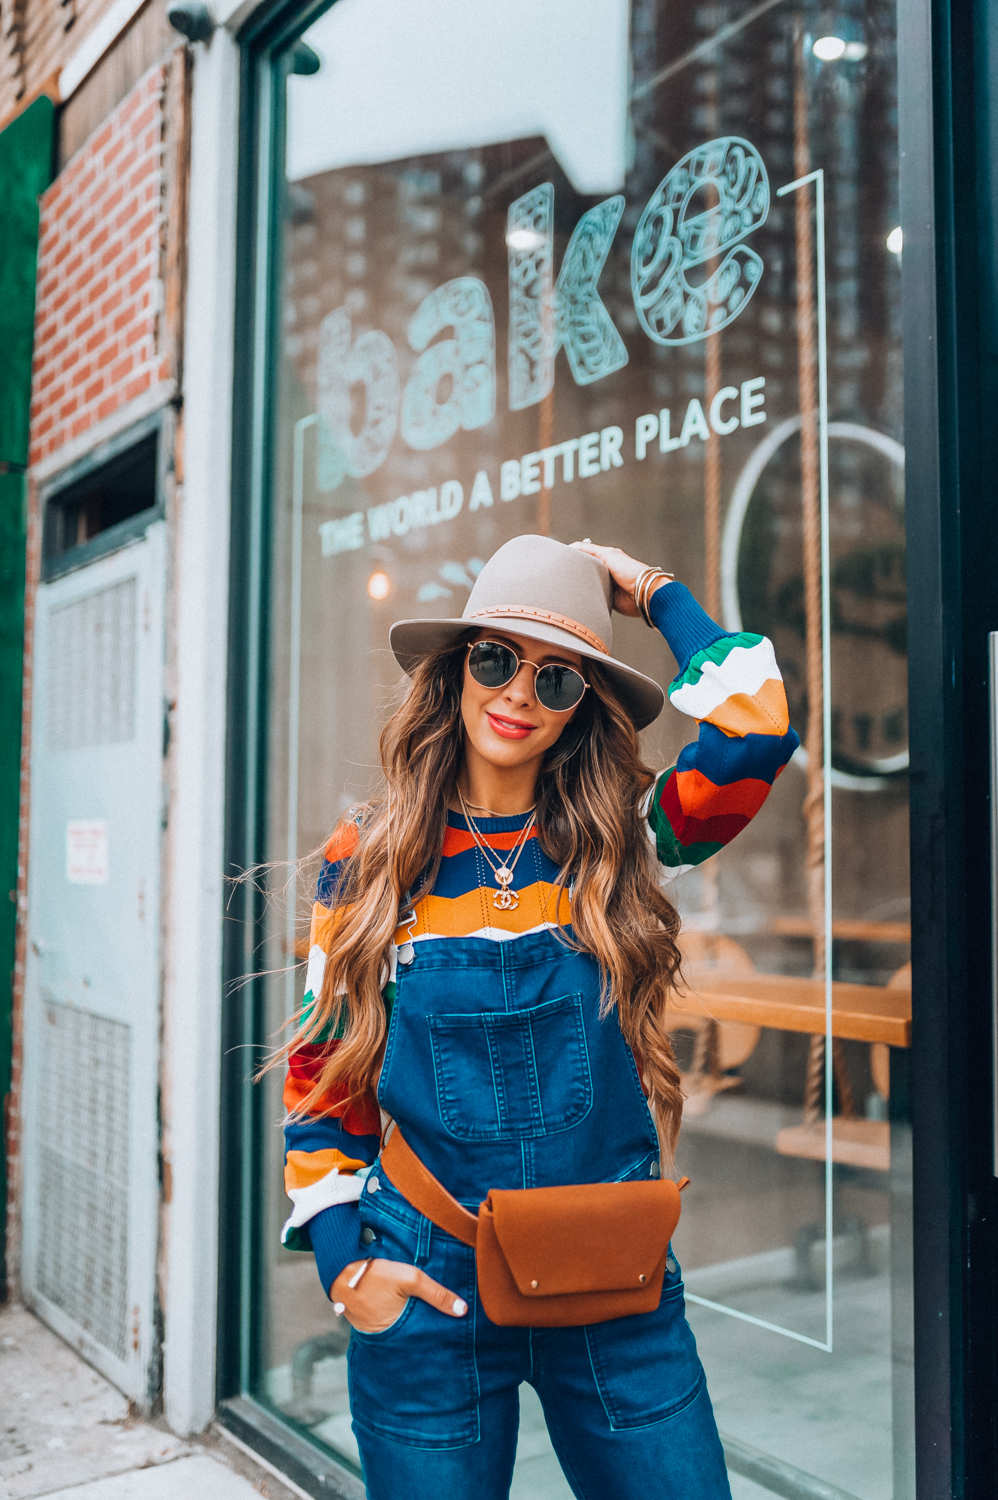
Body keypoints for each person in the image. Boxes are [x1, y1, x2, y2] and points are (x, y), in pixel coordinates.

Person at [275, 534, 799, 1499]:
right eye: (496, 659)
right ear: (456, 670)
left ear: (583, 708)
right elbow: (323, 1077)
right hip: (426, 1288)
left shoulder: (624, 842)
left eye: (559, 680)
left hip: (615, 1284)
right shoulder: (367, 856)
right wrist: (351, 1273)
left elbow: (758, 731)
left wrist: (654, 592)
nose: (519, 695)